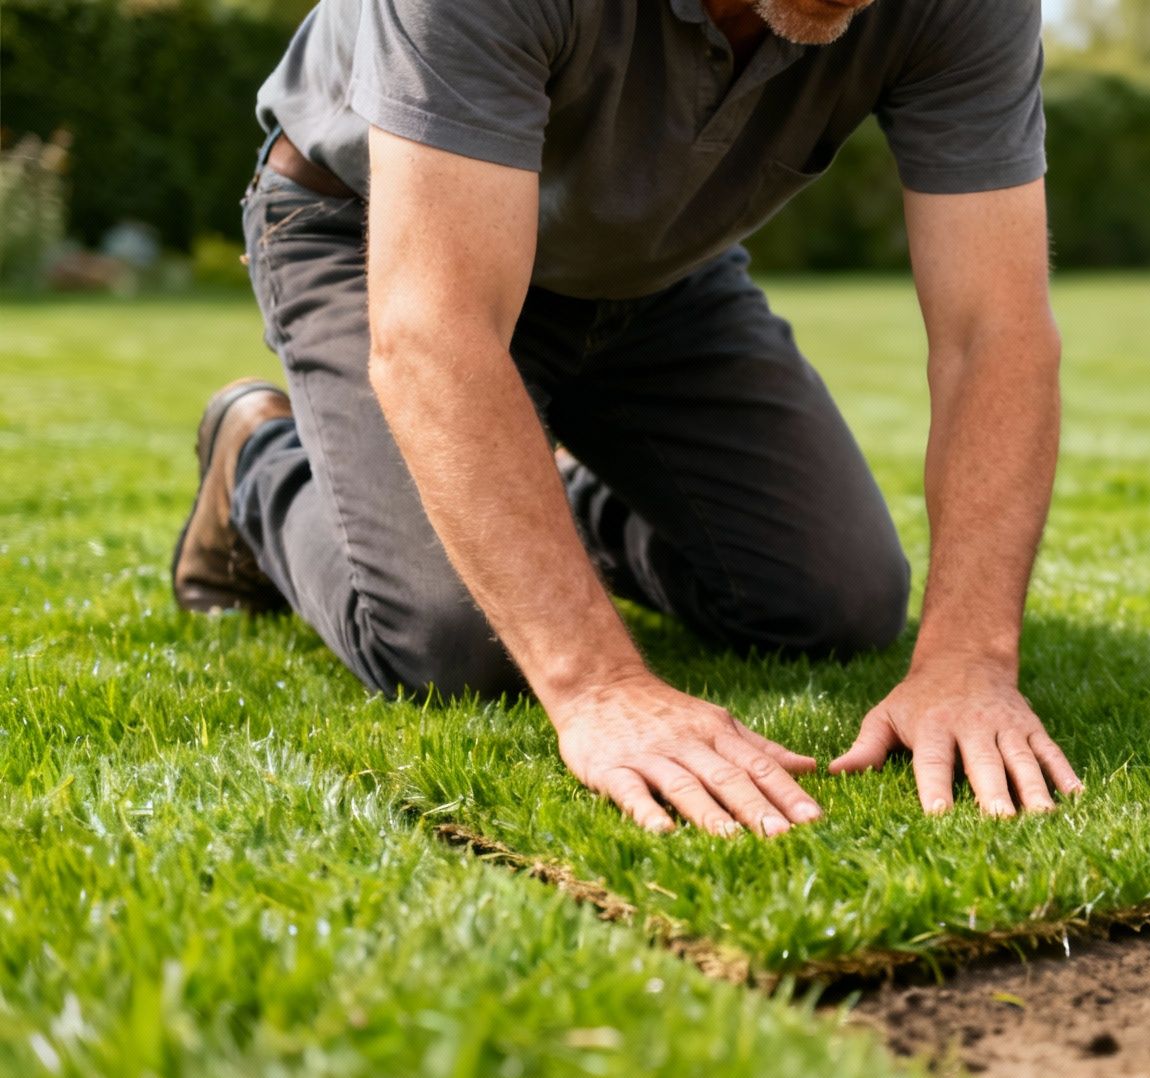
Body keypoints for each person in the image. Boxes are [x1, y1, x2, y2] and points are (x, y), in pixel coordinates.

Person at [170, 0, 1081, 838]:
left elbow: (991, 333)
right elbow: (433, 331)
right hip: (376, 231)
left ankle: (526, 482)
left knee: (836, 602)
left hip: (654, 278)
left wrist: (971, 659)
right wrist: (599, 686)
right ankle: (257, 457)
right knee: (456, 645)